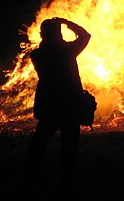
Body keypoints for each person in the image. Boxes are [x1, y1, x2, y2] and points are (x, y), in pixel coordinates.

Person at [25, 17, 91, 194]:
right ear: (58, 33)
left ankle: (27, 181)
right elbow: (85, 36)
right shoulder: (67, 51)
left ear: (42, 35)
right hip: (70, 107)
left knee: (38, 147)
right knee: (69, 151)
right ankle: (66, 186)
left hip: (49, 107)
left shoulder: (37, 55)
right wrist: (67, 22)